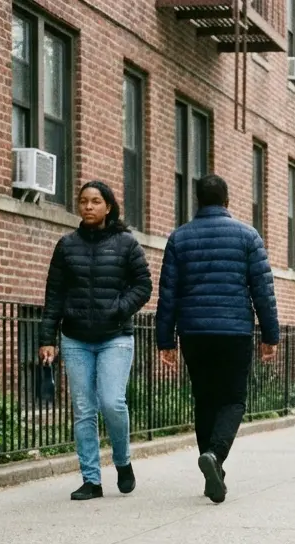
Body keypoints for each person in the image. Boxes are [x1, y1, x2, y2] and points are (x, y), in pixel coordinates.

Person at [155, 175, 280, 504]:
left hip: (194, 331)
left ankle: (213, 466)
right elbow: (263, 291)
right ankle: (216, 455)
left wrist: (164, 340)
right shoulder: (247, 236)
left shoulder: (179, 238)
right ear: (227, 200)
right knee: (234, 400)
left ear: (198, 200)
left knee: (205, 399)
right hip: (234, 331)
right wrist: (270, 334)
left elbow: (168, 294)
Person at [38, 181, 152, 501]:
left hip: (115, 336)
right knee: (84, 409)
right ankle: (91, 479)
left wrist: (119, 308)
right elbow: (54, 295)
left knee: (112, 402)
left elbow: (143, 286)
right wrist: (47, 337)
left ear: (108, 207)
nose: (88, 207)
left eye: (95, 201)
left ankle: (123, 460)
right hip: (75, 338)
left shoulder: (126, 244)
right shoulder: (66, 245)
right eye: (83, 201)